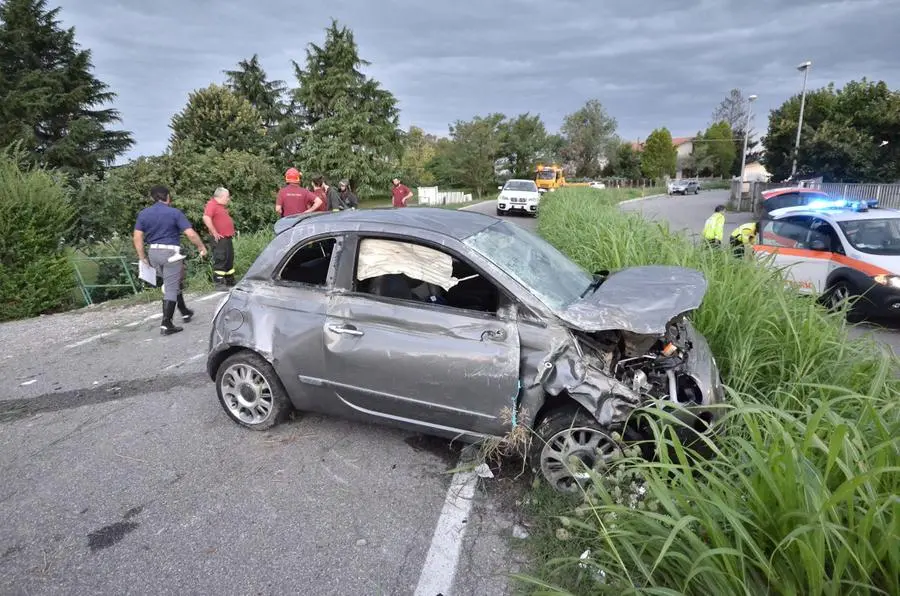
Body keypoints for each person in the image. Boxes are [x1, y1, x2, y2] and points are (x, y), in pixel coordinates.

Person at [133, 185, 207, 336]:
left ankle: (185, 311)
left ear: (153, 197)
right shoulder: (174, 213)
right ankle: (167, 324)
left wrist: (142, 257)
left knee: (171, 281)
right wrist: (201, 247)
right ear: (167, 197)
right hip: (170, 253)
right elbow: (191, 234)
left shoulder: (144, 214)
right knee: (171, 287)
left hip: (153, 252)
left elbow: (137, 237)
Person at [203, 187, 236, 289]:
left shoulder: (220, 206)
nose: (228, 199)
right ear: (221, 196)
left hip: (226, 238)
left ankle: (230, 280)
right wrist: (214, 232)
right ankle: (218, 282)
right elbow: (206, 217)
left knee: (229, 259)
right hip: (219, 239)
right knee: (220, 259)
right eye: (227, 196)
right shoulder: (212, 204)